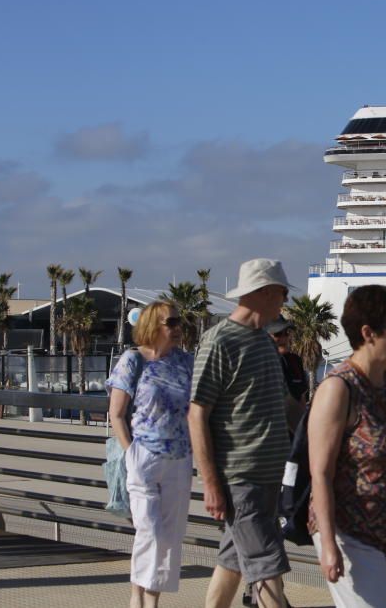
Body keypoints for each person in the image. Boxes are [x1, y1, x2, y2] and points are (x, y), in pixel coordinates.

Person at [308, 285, 386, 608]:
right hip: (350, 533)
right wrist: (329, 545)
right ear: (368, 333)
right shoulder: (338, 388)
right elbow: (320, 472)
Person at [188, 258, 294, 608]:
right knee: (266, 563)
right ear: (264, 292)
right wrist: (212, 484)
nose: (285, 300)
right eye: (282, 292)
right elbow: (197, 413)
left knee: (234, 558)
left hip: (268, 476)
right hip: (240, 478)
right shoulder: (219, 341)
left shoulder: (263, 341)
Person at [107, 301, 194, 608]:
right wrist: (131, 453)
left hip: (180, 458)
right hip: (144, 456)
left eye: (178, 321)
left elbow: (198, 409)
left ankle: (150, 601)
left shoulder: (186, 361)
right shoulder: (133, 360)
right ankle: (137, 595)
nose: (177, 327)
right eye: (171, 322)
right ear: (152, 326)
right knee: (150, 532)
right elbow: (116, 413)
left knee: (170, 537)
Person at [265, 314, 308, 431]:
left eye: (286, 333)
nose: (284, 338)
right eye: (278, 334)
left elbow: (302, 398)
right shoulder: (259, 362)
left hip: (293, 435)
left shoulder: (295, 361)